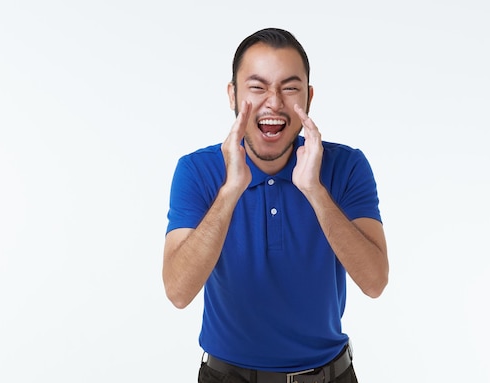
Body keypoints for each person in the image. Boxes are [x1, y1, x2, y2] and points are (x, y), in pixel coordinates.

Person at [162, 27, 389, 383]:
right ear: (233, 95)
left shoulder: (346, 166)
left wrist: (314, 190)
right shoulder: (197, 170)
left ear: (309, 97)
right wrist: (231, 190)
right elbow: (177, 291)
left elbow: (375, 282)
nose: (274, 101)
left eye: (290, 87)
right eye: (258, 87)